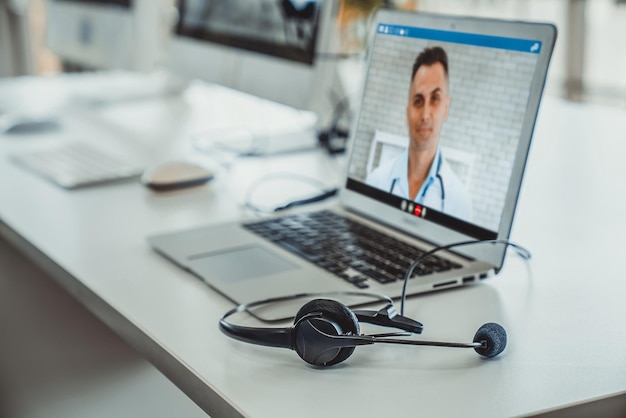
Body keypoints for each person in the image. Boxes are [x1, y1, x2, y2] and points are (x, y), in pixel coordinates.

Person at [366, 46, 472, 220]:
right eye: (418, 101)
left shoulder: (460, 203)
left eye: (435, 99)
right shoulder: (376, 181)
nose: (425, 115)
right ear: (407, 113)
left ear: (446, 108)